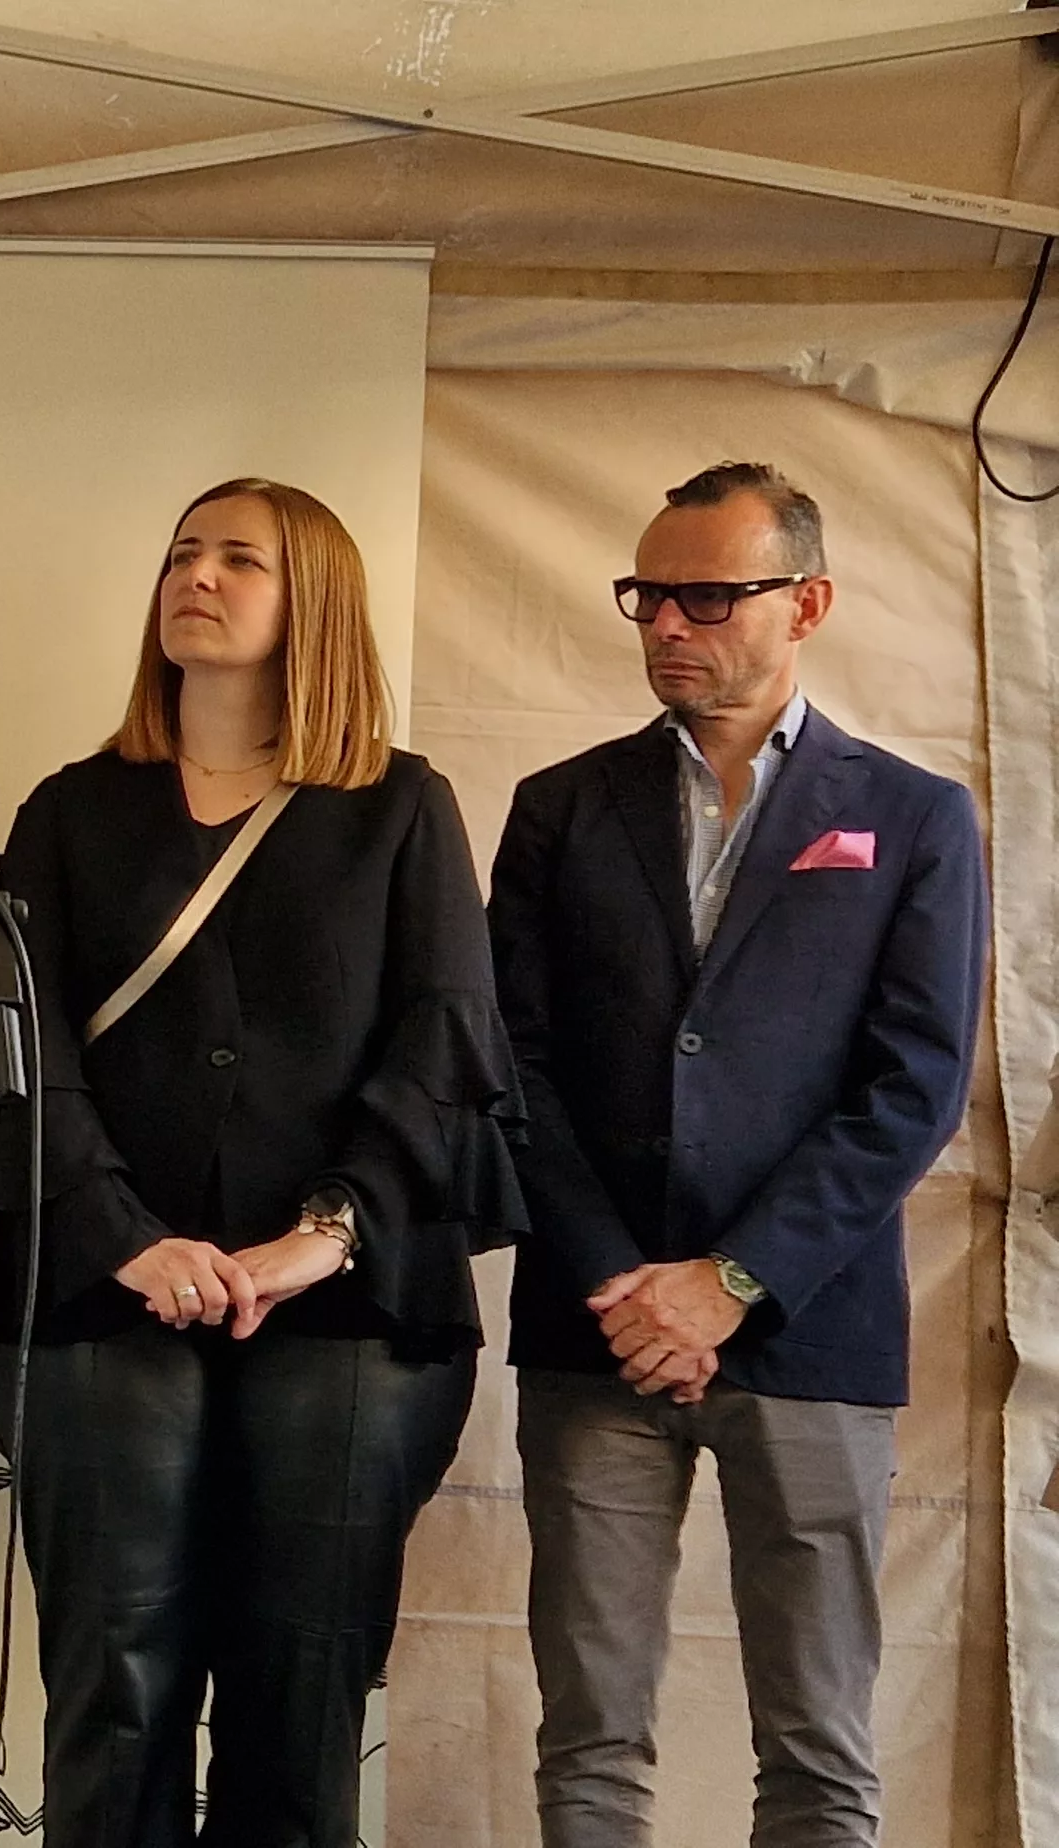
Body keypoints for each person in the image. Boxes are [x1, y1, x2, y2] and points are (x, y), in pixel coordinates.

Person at [0, 480, 515, 1846]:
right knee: (114, 1689)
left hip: (348, 1307)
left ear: (312, 603)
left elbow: (443, 1046)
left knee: (299, 1695)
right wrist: (124, 1236)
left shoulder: (401, 809)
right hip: (110, 1297)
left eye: (237, 559)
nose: (195, 577)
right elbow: (18, 1058)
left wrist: (319, 1235)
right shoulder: (69, 811)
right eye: (180, 553)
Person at [493, 462, 981, 1848]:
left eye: (709, 595)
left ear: (807, 602)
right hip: (595, 1327)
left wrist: (732, 1281)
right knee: (589, 1737)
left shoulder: (914, 816)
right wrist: (624, 1285)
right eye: (648, 594)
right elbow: (511, 1067)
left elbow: (915, 1089)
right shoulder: (558, 808)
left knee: (819, 1752)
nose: (666, 624)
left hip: (810, 1326)